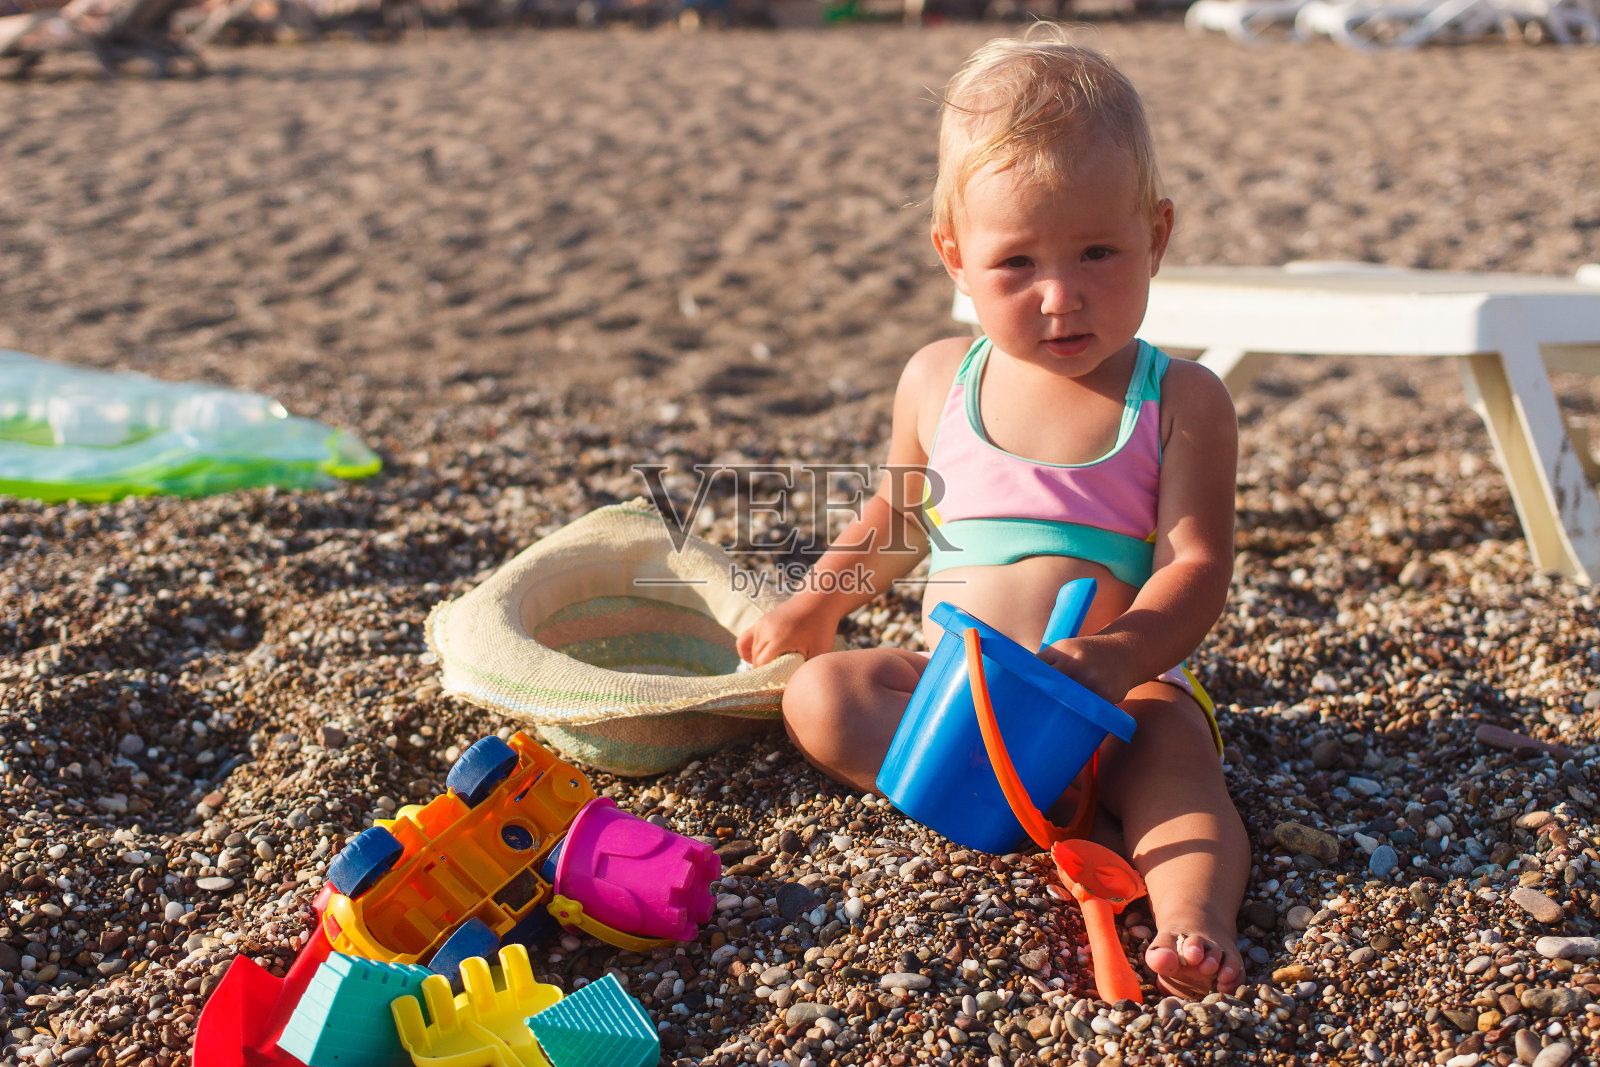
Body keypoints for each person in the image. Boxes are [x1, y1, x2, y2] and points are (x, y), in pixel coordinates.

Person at [736, 27, 1249, 999]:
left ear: (1158, 235)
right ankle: (1011, 801)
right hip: (958, 693)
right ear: (955, 258)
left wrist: (1121, 654)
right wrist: (813, 606)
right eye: (1016, 262)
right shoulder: (938, 377)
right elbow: (898, 518)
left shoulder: (1179, 398)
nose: (1063, 296)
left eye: (1100, 251)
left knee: (1181, 774)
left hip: (1114, 698)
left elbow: (1196, 566)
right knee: (820, 697)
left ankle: (1190, 917)